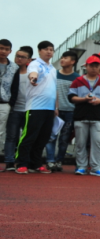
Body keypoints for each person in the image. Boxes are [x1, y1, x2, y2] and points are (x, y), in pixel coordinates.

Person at [14, 41, 57, 175]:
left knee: (43, 138)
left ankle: (36, 163)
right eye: (46, 49)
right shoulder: (35, 64)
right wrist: (33, 79)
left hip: (50, 108)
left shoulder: (54, 69)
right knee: (29, 136)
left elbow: (54, 89)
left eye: (51, 49)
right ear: (39, 51)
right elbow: (33, 73)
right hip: (35, 107)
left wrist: (56, 107)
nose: (49, 52)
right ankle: (21, 163)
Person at [68, 55, 100, 176]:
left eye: (96, 65)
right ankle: (81, 166)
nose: (94, 68)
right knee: (81, 143)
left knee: (98, 143)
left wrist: (99, 101)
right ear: (86, 66)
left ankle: (96, 167)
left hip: (98, 117)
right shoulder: (78, 81)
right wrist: (84, 99)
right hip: (81, 116)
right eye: (91, 65)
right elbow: (71, 97)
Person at [0, 39, 18, 167]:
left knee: (1, 133)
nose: (3, 51)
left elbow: (15, 87)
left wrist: (11, 103)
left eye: (6, 49)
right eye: (1, 48)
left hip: (4, 103)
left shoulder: (14, 67)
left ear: (10, 51)